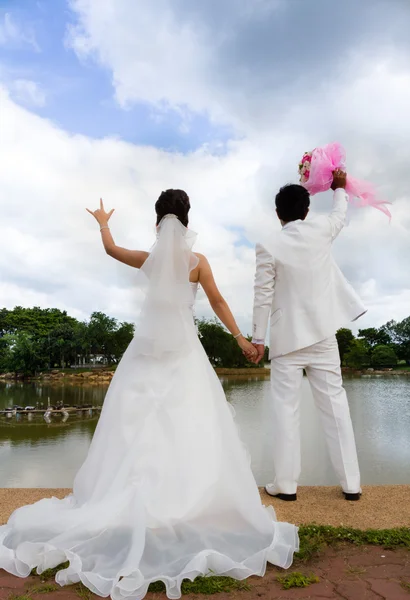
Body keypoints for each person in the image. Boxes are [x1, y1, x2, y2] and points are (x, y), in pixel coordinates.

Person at [0, 189, 298, 600]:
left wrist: (103, 221)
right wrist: (242, 340)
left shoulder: (149, 259)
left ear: (158, 221)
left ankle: (134, 499)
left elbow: (109, 249)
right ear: (188, 220)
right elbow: (218, 300)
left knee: (134, 426)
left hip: (143, 355)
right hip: (184, 354)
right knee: (190, 424)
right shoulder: (199, 263)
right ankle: (186, 501)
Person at [251, 170, 365, 502]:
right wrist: (340, 187)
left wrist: (258, 339)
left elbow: (262, 293)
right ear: (306, 211)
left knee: (286, 412)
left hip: (286, 339)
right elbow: (340, 215)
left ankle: (285, 485)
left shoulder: (267, 244)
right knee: (336, 408)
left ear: (277, 214)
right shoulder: (320, 231)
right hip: (323, 335)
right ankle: (352, 485)